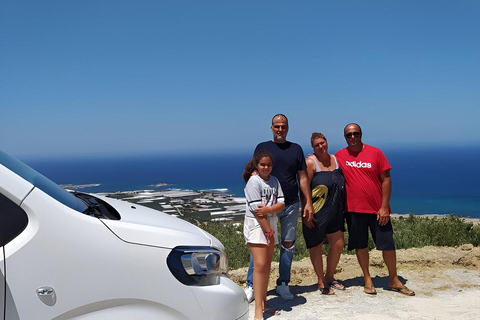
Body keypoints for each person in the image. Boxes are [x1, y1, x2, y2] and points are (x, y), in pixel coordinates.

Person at [335, 123, 415, 296]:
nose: (352, 137)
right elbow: (324, 163)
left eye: (355, 133)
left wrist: (384, 207)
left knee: (388, 245)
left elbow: (386, 179)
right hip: (354, 210)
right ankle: (367, 278)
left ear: (361, 134)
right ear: (345, 137)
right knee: (360, 245)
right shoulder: (340, 155)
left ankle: (393, 279)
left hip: (377, 210)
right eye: (349, 135)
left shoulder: (376, 152)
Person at [245, 114, 314, 302]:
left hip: (291, 204)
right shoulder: (262, 147)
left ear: (288, 128)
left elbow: (302, 177)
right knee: (260, 244)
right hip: (268, 207)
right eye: (277, 126)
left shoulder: (296, 149)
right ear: (271, 128)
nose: (280, 129)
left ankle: (283, 283)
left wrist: (307, 201)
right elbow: (254, 172)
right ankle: (252, 285)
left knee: (288, 244)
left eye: (283, 126)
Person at [243, 150, 285, 320]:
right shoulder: (254, 182)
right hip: (257, 227)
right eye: (262, 165)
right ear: (256, 166)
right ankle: (258, 311)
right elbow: (257, 212)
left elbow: (282, 204)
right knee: (260, 266)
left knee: (266, 266)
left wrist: (269, 209)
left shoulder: (274, 181)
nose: (266, 167)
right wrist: (268, 231)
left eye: (268, 165)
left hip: (270, 225)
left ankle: (264, 303)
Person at [301, 132, 346, 295]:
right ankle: (321, 280)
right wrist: (306, 207)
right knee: (316, 245)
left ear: (327, 142)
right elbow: (304, 184)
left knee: (338, 243)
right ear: (313, 148)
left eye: (323, 143)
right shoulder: (311, 162)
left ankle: (329, 276)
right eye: (317, 145)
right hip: (316, 210)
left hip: (335, 209)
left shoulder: (336, 160)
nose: (321, 146)